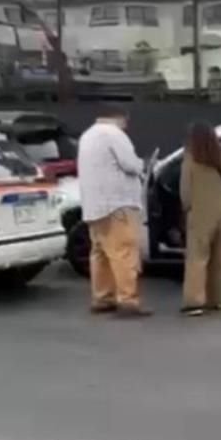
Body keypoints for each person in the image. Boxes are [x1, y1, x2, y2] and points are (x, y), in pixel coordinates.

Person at [77, 106, 151, 318]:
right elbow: (130, 164)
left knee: (100, 253)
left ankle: (102, 297)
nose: (127, 125)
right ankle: (128, 300)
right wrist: (142, 164)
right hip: (117, 204)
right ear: (121, 117)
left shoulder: (87, 135)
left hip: (94, 205)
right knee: (124, 253)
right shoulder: (115, 134)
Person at [180, 122, 221, 316]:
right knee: (220, 258)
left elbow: (185, 192)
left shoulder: (190, 159)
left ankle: (195, 301)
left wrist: (187, 208)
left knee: (198, 258)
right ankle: (217, 299)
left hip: (201, 212)